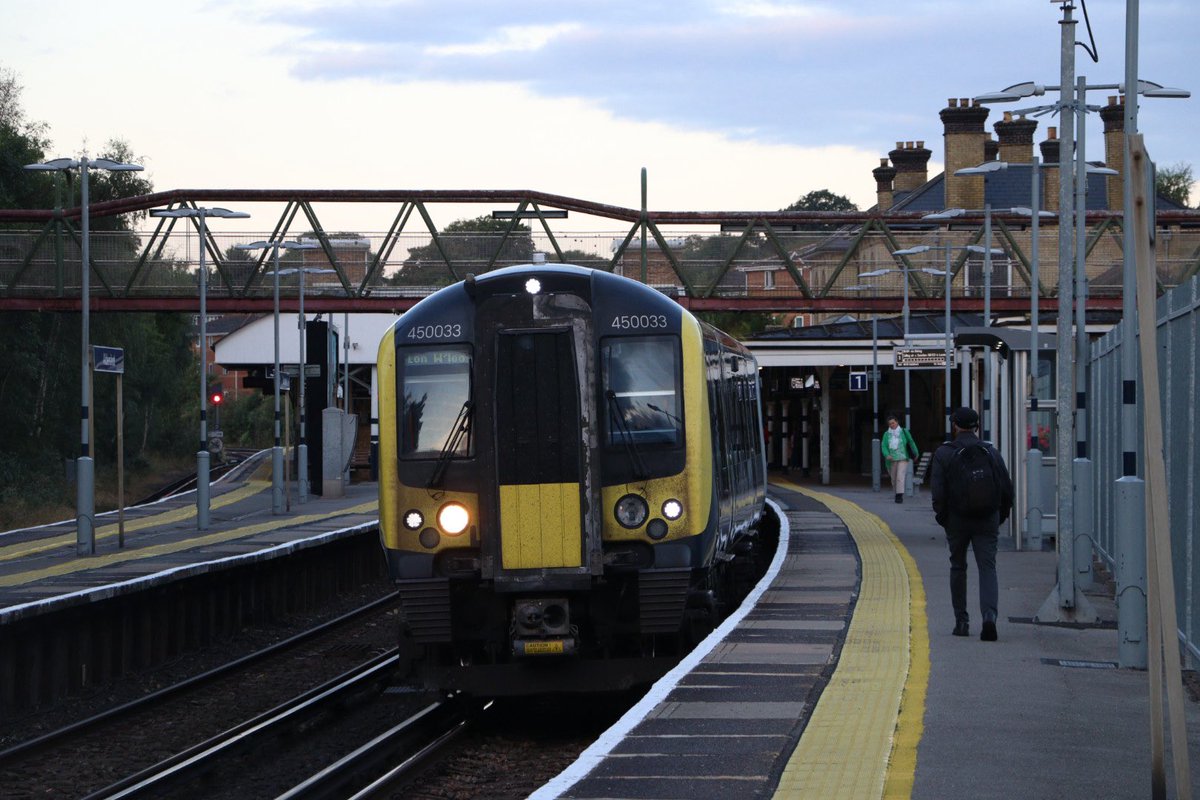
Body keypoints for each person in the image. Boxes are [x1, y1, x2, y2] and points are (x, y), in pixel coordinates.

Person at [930, 406, 1014, 642]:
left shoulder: (944, 453)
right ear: (977, 426)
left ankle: (961, 622)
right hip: (987, 518)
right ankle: (989, 618)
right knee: (988, 568)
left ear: (955, 426)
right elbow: (1006, 489)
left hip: (956, 520)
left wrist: (943, 518)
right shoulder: (990, 452)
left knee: (958, 566)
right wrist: (999, 516)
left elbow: (938, 492)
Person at [880, 414, 918, 503]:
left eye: (893, 423)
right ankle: (897, 493)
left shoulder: (904, 431)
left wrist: (916, 452)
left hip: (903, 458)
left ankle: (899, 496)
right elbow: (884, 446)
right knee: (893, 479)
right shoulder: (886, 434)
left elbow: (911, 442)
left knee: (900, 476)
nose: (891, 425)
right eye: (890, 424)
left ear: (897, 422)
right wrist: (887, 455)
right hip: (891, 460)